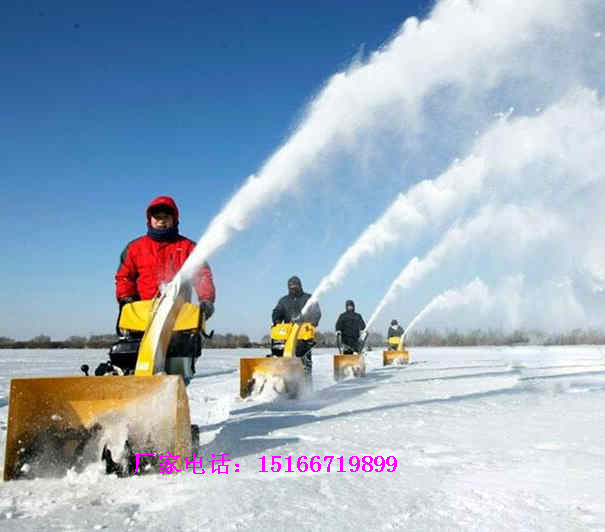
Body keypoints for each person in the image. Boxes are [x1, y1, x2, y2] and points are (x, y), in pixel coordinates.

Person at [115, 195, 215, 316]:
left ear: (174, 219)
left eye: (166, 217)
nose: (161, 221)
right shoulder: (134, 248)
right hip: (143, 313)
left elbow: (202, 275)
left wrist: (206, 300)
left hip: (179, 315)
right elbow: (124, 277)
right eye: (157, 217)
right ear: (150, 219)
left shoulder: (189, 248)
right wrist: (126, 298)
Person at [271, 276, 321, 376]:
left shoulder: (308, 298)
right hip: (287, 334)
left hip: (303, 335)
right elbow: (277, 311)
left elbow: (316, 311)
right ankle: (281, 377)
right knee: (280, 353)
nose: (293, 288)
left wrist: (313, 322)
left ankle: (306, 385)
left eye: (295, 285)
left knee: (304, 360)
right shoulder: (284, 300)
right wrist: (276, 320)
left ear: (300, 285)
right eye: (291, 286)